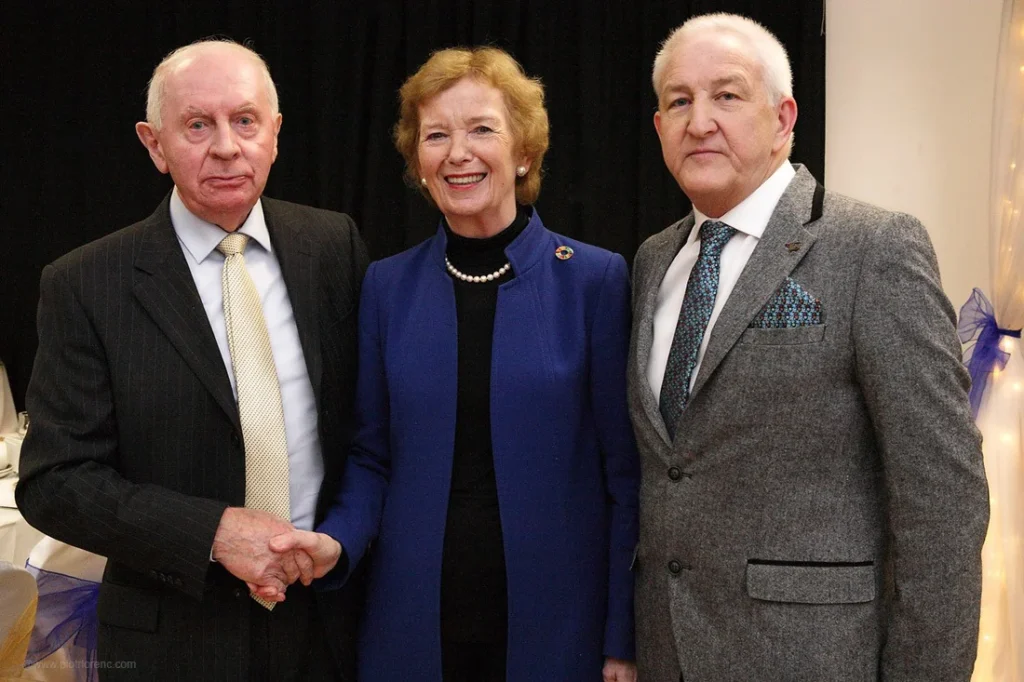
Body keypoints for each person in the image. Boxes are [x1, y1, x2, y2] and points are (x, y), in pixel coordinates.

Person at [627, 13, 989, 681]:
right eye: (679, 101)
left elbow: (942, 496)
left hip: (815, 659)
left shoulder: (871, 249)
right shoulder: (654, 262)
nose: (699, 120)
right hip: (668, 654)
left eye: (727, 96)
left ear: (784, 116)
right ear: (658, 128)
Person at [268, 46, 639, 682]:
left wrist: (622, 639)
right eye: (436, 135)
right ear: (418, 161)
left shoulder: (596, 281)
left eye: (481, 129)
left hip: (559, 629)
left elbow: (625, 478)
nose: (457, 152)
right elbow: (371, 458)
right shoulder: (386, 287)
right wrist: (336, 540)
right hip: (411, 627)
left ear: (524, 152)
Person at [16, 40, 367, 681]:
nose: (228, 147)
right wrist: (212, 533)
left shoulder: (333, 246)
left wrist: (341, 536)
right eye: (198, 125)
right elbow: (53, 483)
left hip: (331, 626)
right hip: (174, 639)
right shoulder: (87, 282)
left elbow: (370, 431)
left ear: (276, 133)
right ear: (154, 144)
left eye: (245, 120)